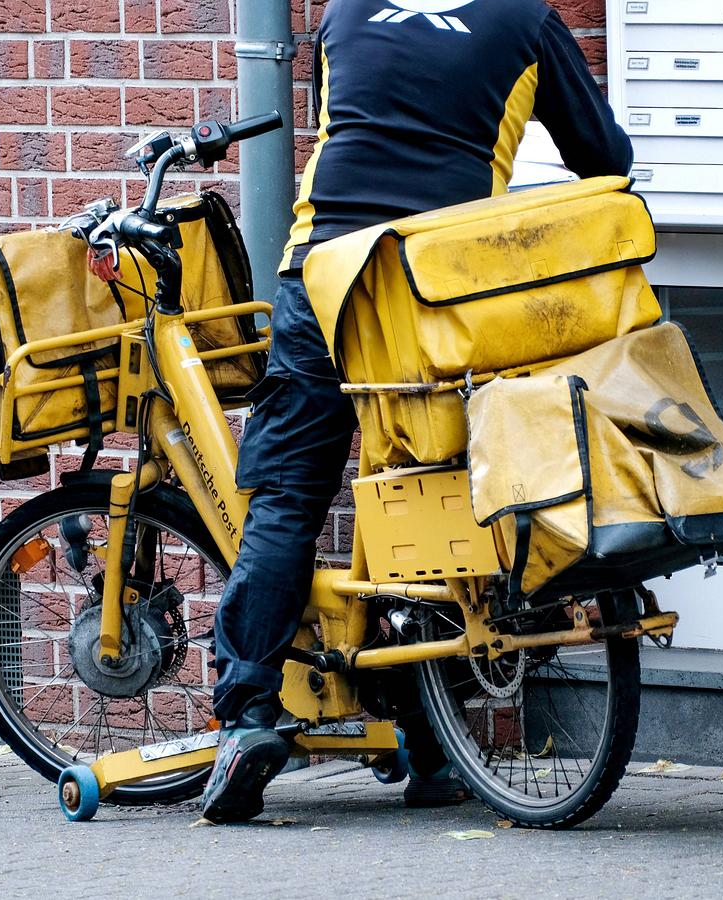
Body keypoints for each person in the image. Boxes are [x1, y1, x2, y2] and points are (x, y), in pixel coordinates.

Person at [201, 0, 634, 824]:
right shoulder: (528, 24)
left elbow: (342, 128)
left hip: (326, 279)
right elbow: (606, 160)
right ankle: (435, 743)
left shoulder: (344, 13)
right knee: (439, 487)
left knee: (289, 497)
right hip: (448, 290)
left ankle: (247, 716)